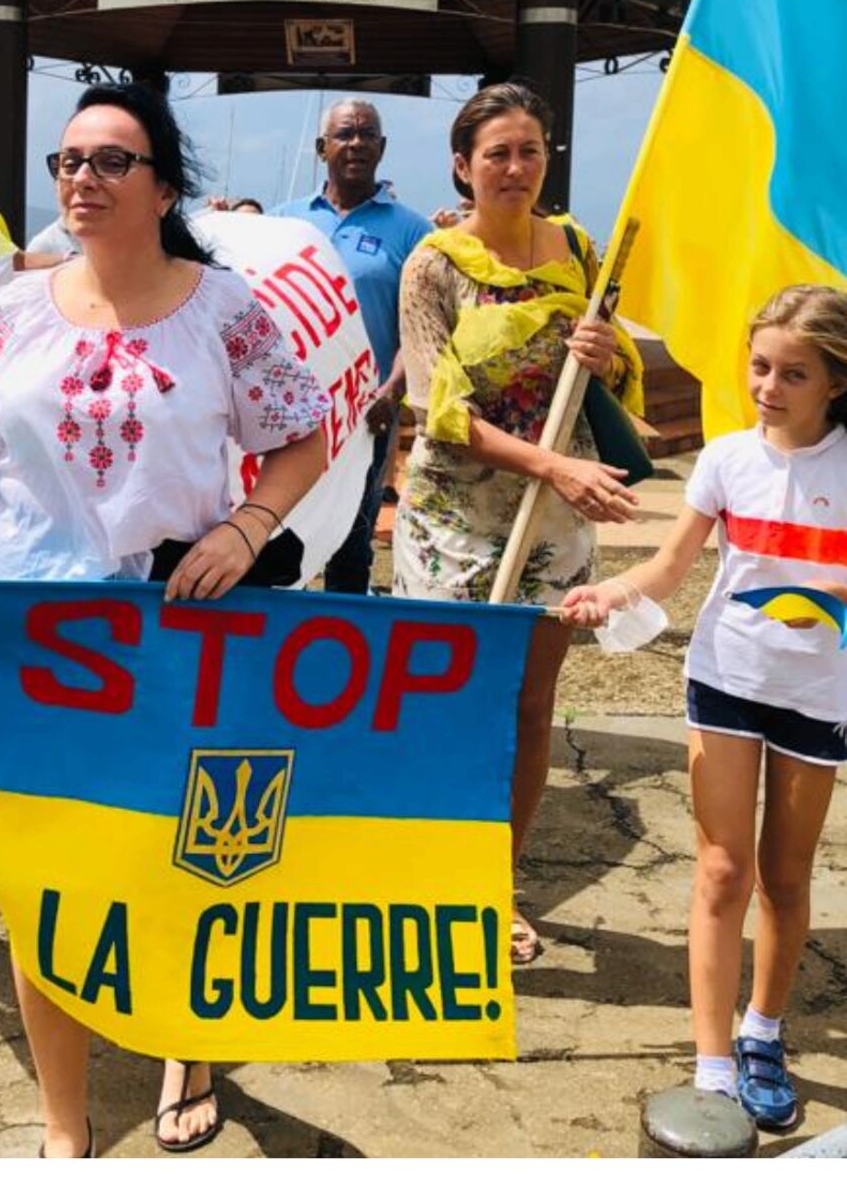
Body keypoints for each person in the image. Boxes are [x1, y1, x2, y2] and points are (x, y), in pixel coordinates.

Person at [0, 82, 329, 1158]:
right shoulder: (12, 313)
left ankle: (185, 1046)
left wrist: (246, 527)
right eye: (70, 160)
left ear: (164, 187)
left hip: (179, 636)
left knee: (181, 861)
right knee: (42, 882)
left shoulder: (226, 310)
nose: (85, 178)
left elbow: (304, 434)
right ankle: (64, 1122)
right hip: (30, 640)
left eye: (114, 160)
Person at [563, 286, 847, 1131]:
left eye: (793, 373)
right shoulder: (726, 460)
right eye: (759, 367)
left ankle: (764, 1031)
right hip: (723, 681)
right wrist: (609, 592)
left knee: (786, 876)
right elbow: (669, 565)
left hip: (818, 696)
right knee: (722, 870)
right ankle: (714, 1062)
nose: (767, 387)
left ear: (836, 381)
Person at [393, 81, 643, 964]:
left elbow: (612, 378)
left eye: (529, 150)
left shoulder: (580, 249)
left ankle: (495, 885)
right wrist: (551, 464)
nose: (514, 167)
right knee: (445, 706)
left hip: (553, 521)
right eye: (495, 152)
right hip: (454, 518)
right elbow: (437, 410)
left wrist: (606, 357)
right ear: (463, 167)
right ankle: (431, 881)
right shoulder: (433, 267)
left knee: (531, 706)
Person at [278, 100, 432, 593]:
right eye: (345, 134)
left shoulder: (415, 232)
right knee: (280, 538)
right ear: (321, 147)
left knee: (350, 545)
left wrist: (393, 390)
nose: (357, 144)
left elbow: (420, 330)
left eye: (368, 135)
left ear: (382, 148)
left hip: (367, 416)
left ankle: (341, 638)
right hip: (292, 415)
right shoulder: (284, 222)